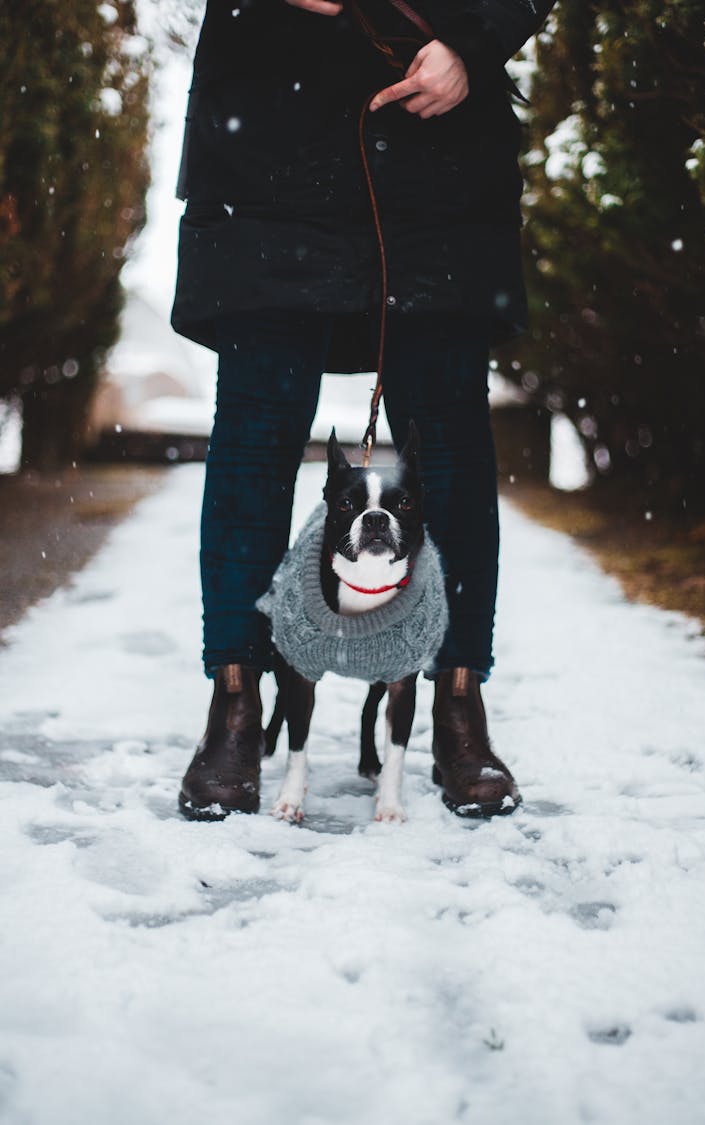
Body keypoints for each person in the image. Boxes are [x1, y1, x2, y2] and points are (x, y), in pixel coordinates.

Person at [171, 0, 556, 820]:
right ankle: (235, 705)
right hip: (266, 132)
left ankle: (457, 701)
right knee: (253, 435)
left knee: (448, 439)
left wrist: (475, 42)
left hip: (436, 131)